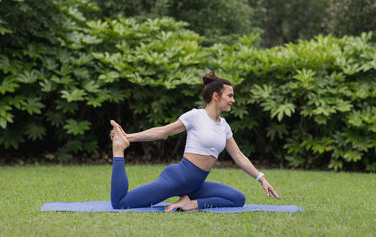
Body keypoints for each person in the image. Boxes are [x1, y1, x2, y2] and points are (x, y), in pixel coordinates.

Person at [110, 72, 280, 212]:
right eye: (230, 96)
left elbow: (239, 156)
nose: (233, 100)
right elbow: (163, 131)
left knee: (237, 198)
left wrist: (261, 178)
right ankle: (118, 150)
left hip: (194, 185)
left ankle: (190, 203)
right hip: (177, 179)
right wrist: (128, 138)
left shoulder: (224, 126)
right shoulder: (196, 116)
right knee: (120, 203)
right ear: (216, 96)